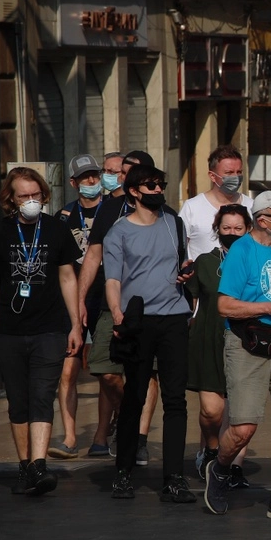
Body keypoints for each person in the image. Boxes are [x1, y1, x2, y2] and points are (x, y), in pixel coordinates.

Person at [205, 191, 271, 519]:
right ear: (263, 219)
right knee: (244, 429)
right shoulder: (242, 250)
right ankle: (220, 468)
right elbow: (224, 305)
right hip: (247, 343)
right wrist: (270, 307)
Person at [0, 167, 82, 496]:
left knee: (42, 395)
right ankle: (25, 467)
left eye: (36, 195)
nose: (31, 201)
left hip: (50, 327)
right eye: (24, 196)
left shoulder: (56, 229)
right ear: (11, 199)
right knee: (18, 400)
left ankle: (39, 465)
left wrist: (76, 323)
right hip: (8, 327)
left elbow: (67, 277)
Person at [103, 164, 196, 501]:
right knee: (135, 396)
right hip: (138, 321)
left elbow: (179, 263)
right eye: (150, 185)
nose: (158, 189)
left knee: (176, 400)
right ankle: (123, 472)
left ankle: (173, 478)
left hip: (174, 318)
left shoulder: (174, 223)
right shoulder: (119, 233)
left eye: (161, 183)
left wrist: (186, 272)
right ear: (133, 192)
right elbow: (113, 280)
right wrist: (117, 315)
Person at [77, 150, 159, 464]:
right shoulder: (109, 208)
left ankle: (138, 437)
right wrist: (81, 300)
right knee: (102, 368)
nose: (122, 178)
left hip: (150, 305)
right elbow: (93, 256)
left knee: (147, 372)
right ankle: (128, 412)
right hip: (110, 303)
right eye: (121, 173)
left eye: (130, 172)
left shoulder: (164, 213)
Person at [187, 204, 253, 487]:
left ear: (248, 229)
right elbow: (189, 303)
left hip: (246, 341)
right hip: (208, 340)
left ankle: (233, 467)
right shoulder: (204, 262)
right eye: (226, 228)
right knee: (212, 412)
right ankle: (211, 449)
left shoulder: (257, 260)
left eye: (238, 228)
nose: (232, 233)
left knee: (240, 412)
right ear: (217, 230)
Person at [49, 153, 105, 458]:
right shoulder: (63, 217)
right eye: (85, 177)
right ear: (73, 183)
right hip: (73, 300)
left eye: (94, 175)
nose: (92, 181)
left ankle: (102, 434)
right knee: (68, 371)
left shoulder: (114, 211)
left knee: (108, 372)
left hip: (106, 296)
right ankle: (70, 437)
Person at [179, 145, 254, 262]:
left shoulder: (252, 206)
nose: (235, 177)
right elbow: (179, 247)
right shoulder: (192, 207)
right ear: (212, 176)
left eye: (239, 172)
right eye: (229, 173)